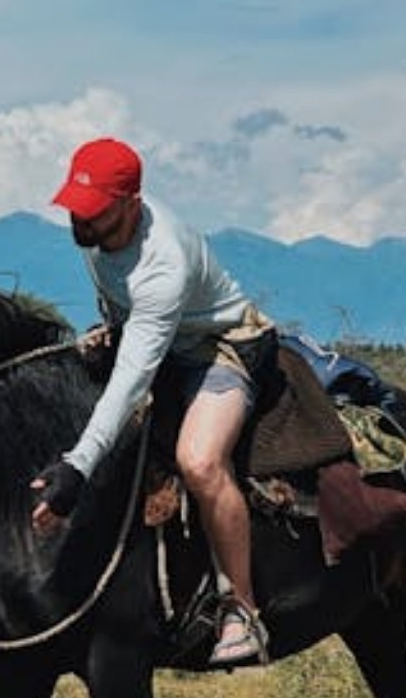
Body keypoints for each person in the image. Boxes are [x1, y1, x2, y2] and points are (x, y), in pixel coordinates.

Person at [30, 137, 271, 667]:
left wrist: (78, 467)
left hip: (220, 350)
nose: (80, 222)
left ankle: (242, 608)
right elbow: (126, 311)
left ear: (131, 204)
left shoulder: (163, 264)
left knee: (200, 462)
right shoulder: (95, 237)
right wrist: (113, 330)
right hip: (161, 341)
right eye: (75, 206)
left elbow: (132, 382)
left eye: (93, 212)